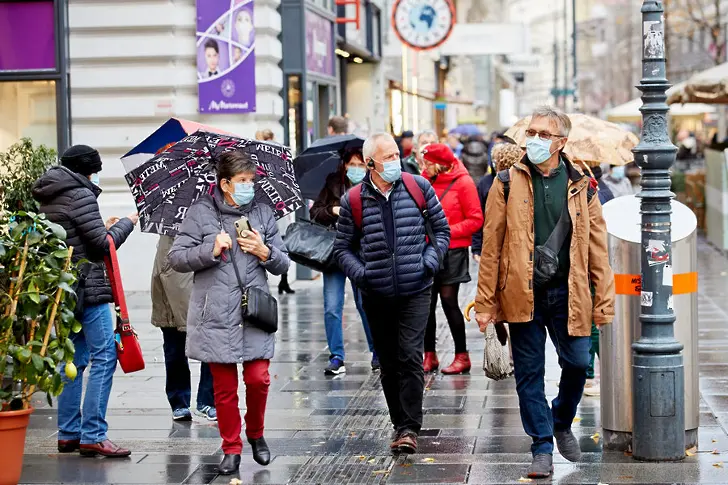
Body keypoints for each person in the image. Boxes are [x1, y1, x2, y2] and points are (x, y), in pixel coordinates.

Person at [473, 106, 615, 479]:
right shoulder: (505, 182)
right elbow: (491, 246)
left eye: (544, 134)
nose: (534, 140)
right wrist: (485, 303)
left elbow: (598, 249)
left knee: (578, 363)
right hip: (522, 293)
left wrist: (604, 300)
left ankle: (561, 419)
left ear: (561, 143)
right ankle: (541, 447)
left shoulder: (583, 187)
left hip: (570, 294)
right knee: (529, 374)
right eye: (531, 132)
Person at [168, 150, 290, 475]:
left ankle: (256, 433)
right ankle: (231, 447)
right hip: (216, 315)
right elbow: (177, 258)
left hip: (254, 312)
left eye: (252, 180)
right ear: (224, 184)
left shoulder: (263, 213)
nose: (249, 186)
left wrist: (265, 251)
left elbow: (283, 262)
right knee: (223, 390)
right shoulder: (200, 213)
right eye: (242, 181)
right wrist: (211, 249)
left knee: (258, 378)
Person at [334, 133, 450, 454]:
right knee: (388, 362)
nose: (395, 161)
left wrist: (429, 262)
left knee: (410, 357)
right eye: (387, 157)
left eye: (397, 155)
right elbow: (342, 249)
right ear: (370, 163)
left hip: (416, 289)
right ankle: (399, 422)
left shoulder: (418, 187)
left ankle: (410, 427)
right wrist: (363, 275)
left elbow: (442, 231)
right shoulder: (354, 200)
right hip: (377, 293)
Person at [32, 145, 138, 457]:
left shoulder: (48, 193)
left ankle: (68, 433)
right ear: (87, 170)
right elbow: (102, 245)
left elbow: (73, 238)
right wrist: (126, 223)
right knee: (105, 356)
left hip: (62, 290)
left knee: (74, 361)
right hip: (87, 288)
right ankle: (93, 434)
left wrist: (99, 228)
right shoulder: (81, 195)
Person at [310, 148, 378, 373]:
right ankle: (336, 356)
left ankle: (377, 353)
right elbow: (316, 212)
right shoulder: (333, 183)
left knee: (366, 305)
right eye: (352, 164)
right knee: (332, 306)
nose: (356, 170)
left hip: (362, 254)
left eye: (361, 165)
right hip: (334, 252)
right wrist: (334, 209)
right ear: (344, 165)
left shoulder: (373, 186)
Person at [421, 144, 483, 374]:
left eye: (428, 163)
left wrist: (446, 230)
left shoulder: (464, 182)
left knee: (449, 301)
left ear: (440, 163)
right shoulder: (425, 180)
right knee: (426, 303)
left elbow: (476, 219)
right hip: (427, 250)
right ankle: (429, 355)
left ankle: (462, 355)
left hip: (453, 250)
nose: (424, 167)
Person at [151, 236, 216, 421]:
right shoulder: (169, 221)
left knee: (212, 341)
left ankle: (207, 400)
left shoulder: (214, 214)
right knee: (175, 345)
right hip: (174, 285)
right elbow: (163, 267)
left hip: (208, 281)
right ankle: (180, 401)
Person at [255, 129, 295, 294]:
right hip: (278, 213)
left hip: (269, 214)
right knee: (280, 248)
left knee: (269, 248)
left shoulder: (257, 156)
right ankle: (283, 282)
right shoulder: (277, 157)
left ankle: (282, 282)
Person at [472, 142, 523, 262]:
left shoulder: (525, 183)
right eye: (494, 158)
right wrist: (477, 247)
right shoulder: (486, 183)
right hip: (494, 242)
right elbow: (479, 215)